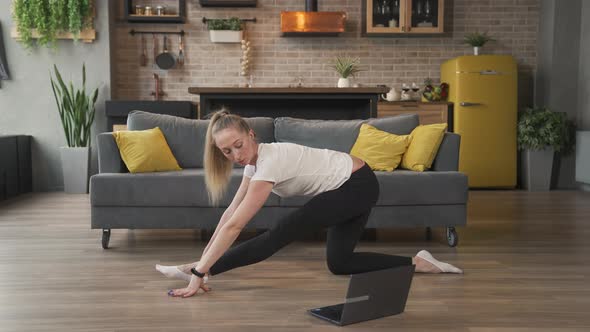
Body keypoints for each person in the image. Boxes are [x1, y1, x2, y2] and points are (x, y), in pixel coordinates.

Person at [156, 110, 463, 298]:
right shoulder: (253, 164)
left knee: (279, 234)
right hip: (353, 184)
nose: (236, 155)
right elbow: (229, 215)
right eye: (227, 152)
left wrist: (199, 273)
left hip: (356, 184)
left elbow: (238, 225)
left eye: (239, 145)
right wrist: (203, 258)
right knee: (340, 263)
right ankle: (419, 262)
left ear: (251, 135)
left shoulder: (270, 162)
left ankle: (199, 270)